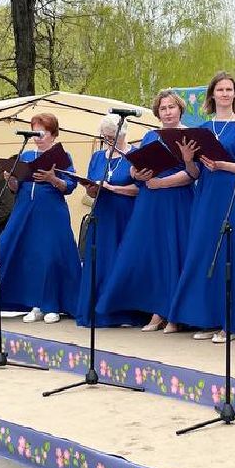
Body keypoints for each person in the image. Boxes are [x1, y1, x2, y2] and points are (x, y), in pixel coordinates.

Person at [165, 72, 235, 343]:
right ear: (212, 95)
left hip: (232, 195)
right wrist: (187, 159)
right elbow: (195, 173)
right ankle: (209, 318)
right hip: (206, 197)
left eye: (229, 89)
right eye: (219, 89)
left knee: (228, 254)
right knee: (205, 254)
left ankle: (230, 323)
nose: (224, 93)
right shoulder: (203, 129)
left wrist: (223, 165)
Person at [0, 113, 81, 323]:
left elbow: (70, 186)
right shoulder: (26, 155)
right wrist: (10, 180)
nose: (38, 137)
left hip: (51, 212)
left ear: (53, 134)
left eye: (42, 132)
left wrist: (52, 178)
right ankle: (35, 304)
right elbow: (16, 188)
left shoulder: (63, 156)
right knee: (31, 256)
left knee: (50, 256)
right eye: (35, 132)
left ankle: (52, 304)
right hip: (25, 211)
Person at [99, 90, 196, 333]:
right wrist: (136, 174)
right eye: (163, 108)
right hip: (150, 202)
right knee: (155, 255)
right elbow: (136, 167)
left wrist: (161, 182)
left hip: (177, 199)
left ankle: (175, 313)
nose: (167, 112)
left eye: (171, 107)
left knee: (177, 253)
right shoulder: (150, 135)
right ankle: (157, 311)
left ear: (180, 109)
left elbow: (193, 172)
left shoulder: (189, 134)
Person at [75, 114, 140, 328]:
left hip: (126, 214)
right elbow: (91, 190)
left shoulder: (134, 155)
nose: (108, 140)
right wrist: (92, 189)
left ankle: (125, 312)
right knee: (100, 261)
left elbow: (141, 189)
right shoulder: (97, 157)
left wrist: (114, 189)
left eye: (112, 136)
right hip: (102, 214)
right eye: (105, 137)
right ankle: (98, 311)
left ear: (122, 134)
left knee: (122, 261)